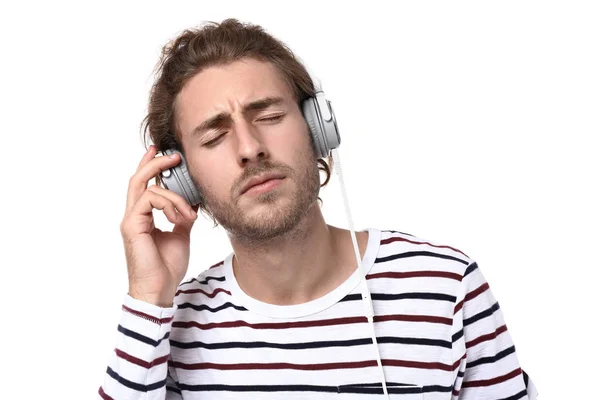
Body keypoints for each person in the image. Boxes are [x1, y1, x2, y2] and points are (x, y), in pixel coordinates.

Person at [99, 18, 537, 400]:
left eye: (268, 116)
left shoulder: (447, 288)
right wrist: (148, 299)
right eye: (214, 137)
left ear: (316, 127)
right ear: (184, 179)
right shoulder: (171, 328)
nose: (250, 148)